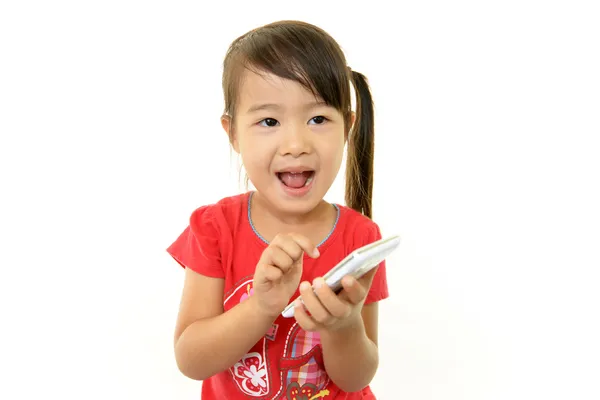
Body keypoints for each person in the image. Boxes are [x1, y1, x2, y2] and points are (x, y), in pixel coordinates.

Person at [167, 20, 389, 399]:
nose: (295, 143)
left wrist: (344, 325)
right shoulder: (214, 228)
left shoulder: (360, 238)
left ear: (347, 127)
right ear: (233, 132)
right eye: (269, 121)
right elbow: (192, 360)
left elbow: (356, 379)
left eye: (318, 119)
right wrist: (263, 306)